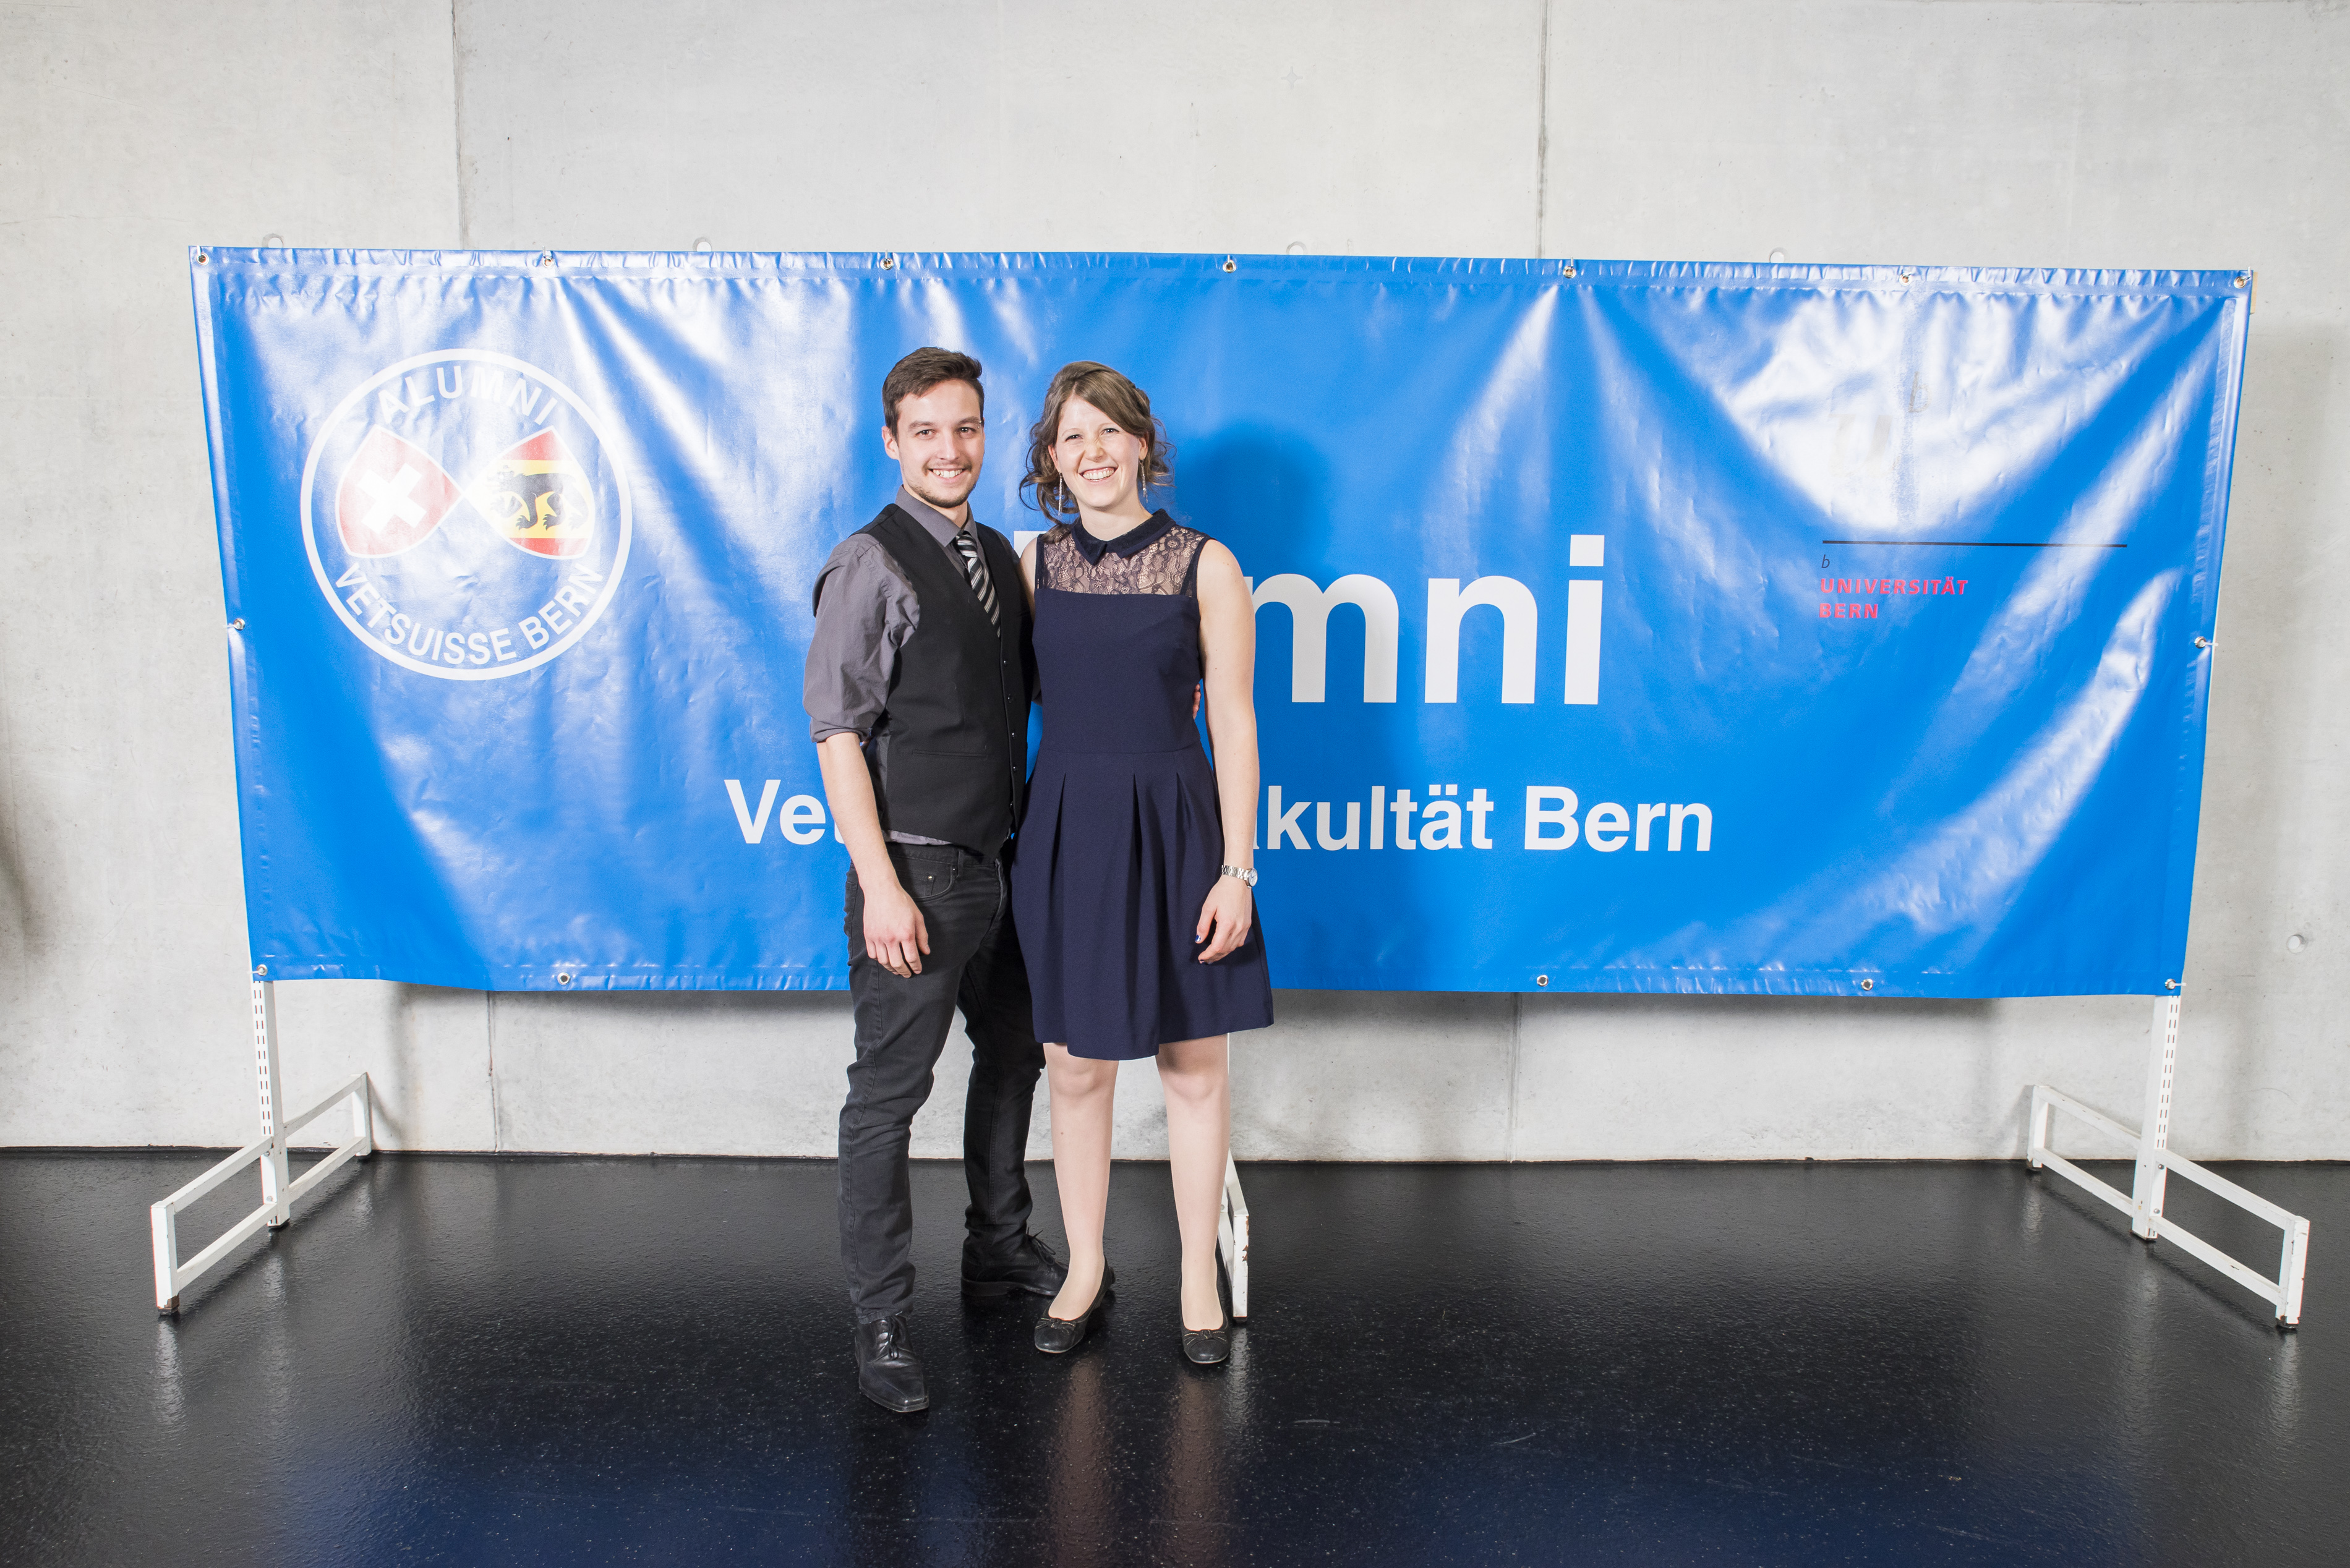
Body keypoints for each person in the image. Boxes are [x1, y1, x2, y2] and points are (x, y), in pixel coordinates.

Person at [805, 347, 1067, 1415]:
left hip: (1003, 862)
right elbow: (837, 735)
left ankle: (998, 1247)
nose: (950, 450)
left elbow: (1029, 690)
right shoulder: (868, 562)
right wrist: (881, 886)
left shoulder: (997, 554)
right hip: (914, 872)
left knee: (1014, 1057)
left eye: (966, 429)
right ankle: (880, 1317)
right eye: (926, 432)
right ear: (892, 442)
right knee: (888, 1098)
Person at [1010, 361, 1273, 1366]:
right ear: (1051, 458)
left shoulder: (1208, 564)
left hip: (1176, 827)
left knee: (1193, 1066)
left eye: (1110, 432)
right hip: (1067, 827)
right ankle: (1084, 1268)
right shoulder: (1032, 563)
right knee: (1075, 1068)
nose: (1094, 452)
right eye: (1074, 437)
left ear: (1141, 445)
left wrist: (1237, 870)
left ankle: (1199, 1278)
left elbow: (1234, 722)